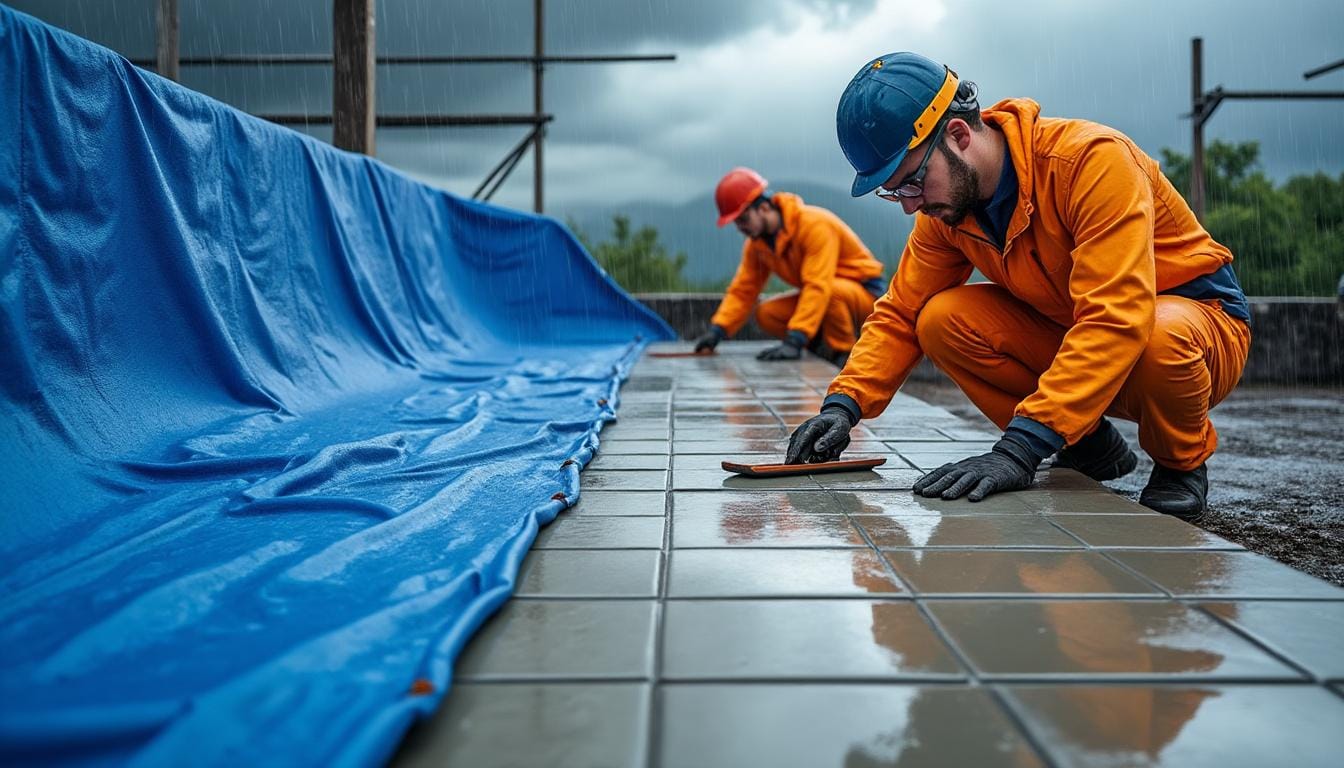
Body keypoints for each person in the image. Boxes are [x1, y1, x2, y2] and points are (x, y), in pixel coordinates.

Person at [786, 52, 1252, 519]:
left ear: (959, 135)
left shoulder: (1091, 161)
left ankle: (1180, 464)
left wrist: (1020, 449)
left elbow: (1117, 316)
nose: (909, 206)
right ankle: (1090, 446)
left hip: (1196, 331)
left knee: (1159, 335)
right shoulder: (946, 211)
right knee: (940, 319)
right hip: (1082, 334)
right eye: (895, 193)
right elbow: (901, 312)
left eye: (911, 182)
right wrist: (844, 405)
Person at [692, 167, 886, 366]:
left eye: (743, 219)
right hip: (826, 300)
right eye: (736, 223)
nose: (741, 228)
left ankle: (844, 354)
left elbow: (818, 285)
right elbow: (743, 291)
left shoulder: (814, 225)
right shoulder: (757, 245)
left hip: (866, 298)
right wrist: (717, 331)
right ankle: (819, 346)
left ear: (764, 208)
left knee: (831, 291)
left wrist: (795, 339)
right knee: (767, 313)